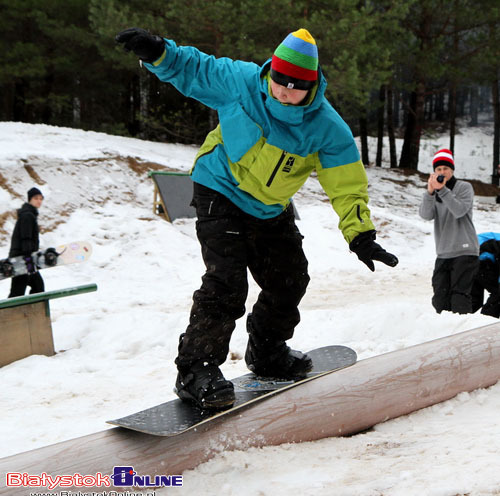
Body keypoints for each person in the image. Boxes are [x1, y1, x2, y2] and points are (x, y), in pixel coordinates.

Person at [116, 27, 399, 409]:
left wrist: (360, 233)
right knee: (226, 283)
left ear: (311, 86)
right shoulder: (244, 83)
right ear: (270, 72)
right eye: (278, 79)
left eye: (294, 85)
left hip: (269, 207)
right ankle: (196, 370)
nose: (283, 90)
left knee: (290, 277)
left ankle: (267, 349)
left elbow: (346, 183)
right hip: (219, 187)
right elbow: (198, 69)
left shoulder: (328, 129)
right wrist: (159, 53)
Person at [419, 148, 479, 314]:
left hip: (465, 250)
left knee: (459, 296)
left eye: (446, 168)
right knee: (440, 298)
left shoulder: (464, 187)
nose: (442, 172)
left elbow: (459, 210)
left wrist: (443, 190)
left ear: (452, 170)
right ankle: (444, 330)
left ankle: (462, 333)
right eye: (438, 169)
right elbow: (425, 215)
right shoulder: (436, 192)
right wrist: (430, 192)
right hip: (444, 252)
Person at [8, 187, 46, 297]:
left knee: (35, 288)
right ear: (30, 199)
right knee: (20, 292)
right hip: (22, 260)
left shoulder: (29, 214)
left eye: (41, 198)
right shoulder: (27, 215)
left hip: (24, 259)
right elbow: (26, 238)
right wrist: (28, 259)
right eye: (36, 198)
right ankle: (9, 313)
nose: (39, 201)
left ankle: (30, 312)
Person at [471, 232, 500, 318]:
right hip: (480, 260)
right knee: (497, 292)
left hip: (468, 259)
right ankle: (487, 317)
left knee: (474, 301)